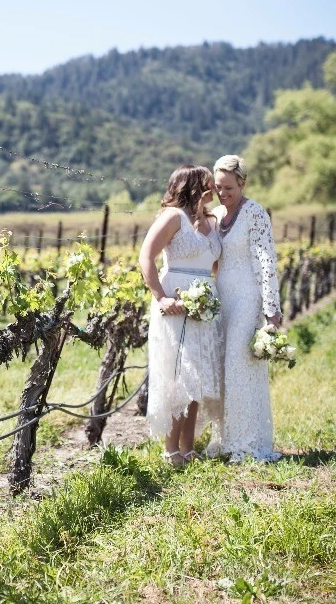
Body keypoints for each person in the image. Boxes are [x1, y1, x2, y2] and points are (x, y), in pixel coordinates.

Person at [139, 165, 224, 465]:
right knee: (179, 374)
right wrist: (161, 297)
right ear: (191, 186)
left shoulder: (212, 221)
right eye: (207, 184)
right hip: (176, 301)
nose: (212, 189)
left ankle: (188, 448)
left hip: (205, 305)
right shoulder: (172, 217)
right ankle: (170, 449)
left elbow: (214, 265)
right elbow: (145, 256)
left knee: (197, 376)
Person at [206, 154, 282, 462]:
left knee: (240, 365)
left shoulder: (255, 213)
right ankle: (225, 439)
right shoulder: (214, 214)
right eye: (218, 187)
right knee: (222, 367)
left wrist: (271, 308)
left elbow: (267, 261)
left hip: (247, 297)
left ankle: (246, 442)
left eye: (229, 188)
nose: (223, 193)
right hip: (221, 297)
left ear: (242, 183)